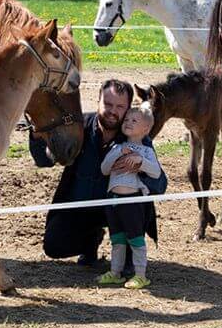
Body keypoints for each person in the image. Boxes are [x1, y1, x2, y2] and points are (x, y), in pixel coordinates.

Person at [32, 80, 167, 268]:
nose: (113, 111)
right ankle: (90, 242)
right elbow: (44, 160)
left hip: (122, 210)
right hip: (81, 206)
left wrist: (141, 167)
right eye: (108, 104)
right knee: (54, 246)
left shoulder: (137, 139)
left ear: (128, 108)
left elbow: (160, 185)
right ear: (97, 102)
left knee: (131, 213)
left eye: (120, 107)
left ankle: (129, 252)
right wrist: (37, 134)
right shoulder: (78, 129)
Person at [97, 105, 162, 289]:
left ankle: (140, 275)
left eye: (134, 121)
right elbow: (104, 169)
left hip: (133, 202)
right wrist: (118, 153)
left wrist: (140, 161)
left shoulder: (147, 151)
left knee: (135, 239)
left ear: (146, 129)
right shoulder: (117, 147)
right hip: (113, 201)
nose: (128, 123)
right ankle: (115, 272)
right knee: (117, 239)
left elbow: (156, 172)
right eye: (126, 120)